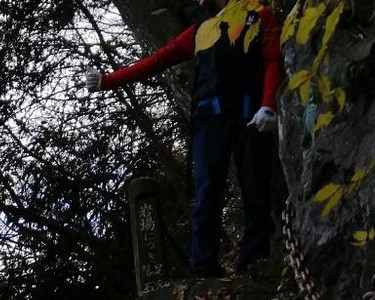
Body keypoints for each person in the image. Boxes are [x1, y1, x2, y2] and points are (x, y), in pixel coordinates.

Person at [85, 0, 282, 278]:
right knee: (207, 193)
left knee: (255, 189)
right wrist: (108, 81)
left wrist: (268, 104)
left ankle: (253, 264)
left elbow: (272, 58)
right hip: (209, 121)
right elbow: (157, 61)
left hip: (249, 115)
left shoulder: (260, 15)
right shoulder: (202, 31)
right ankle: (204, 267)